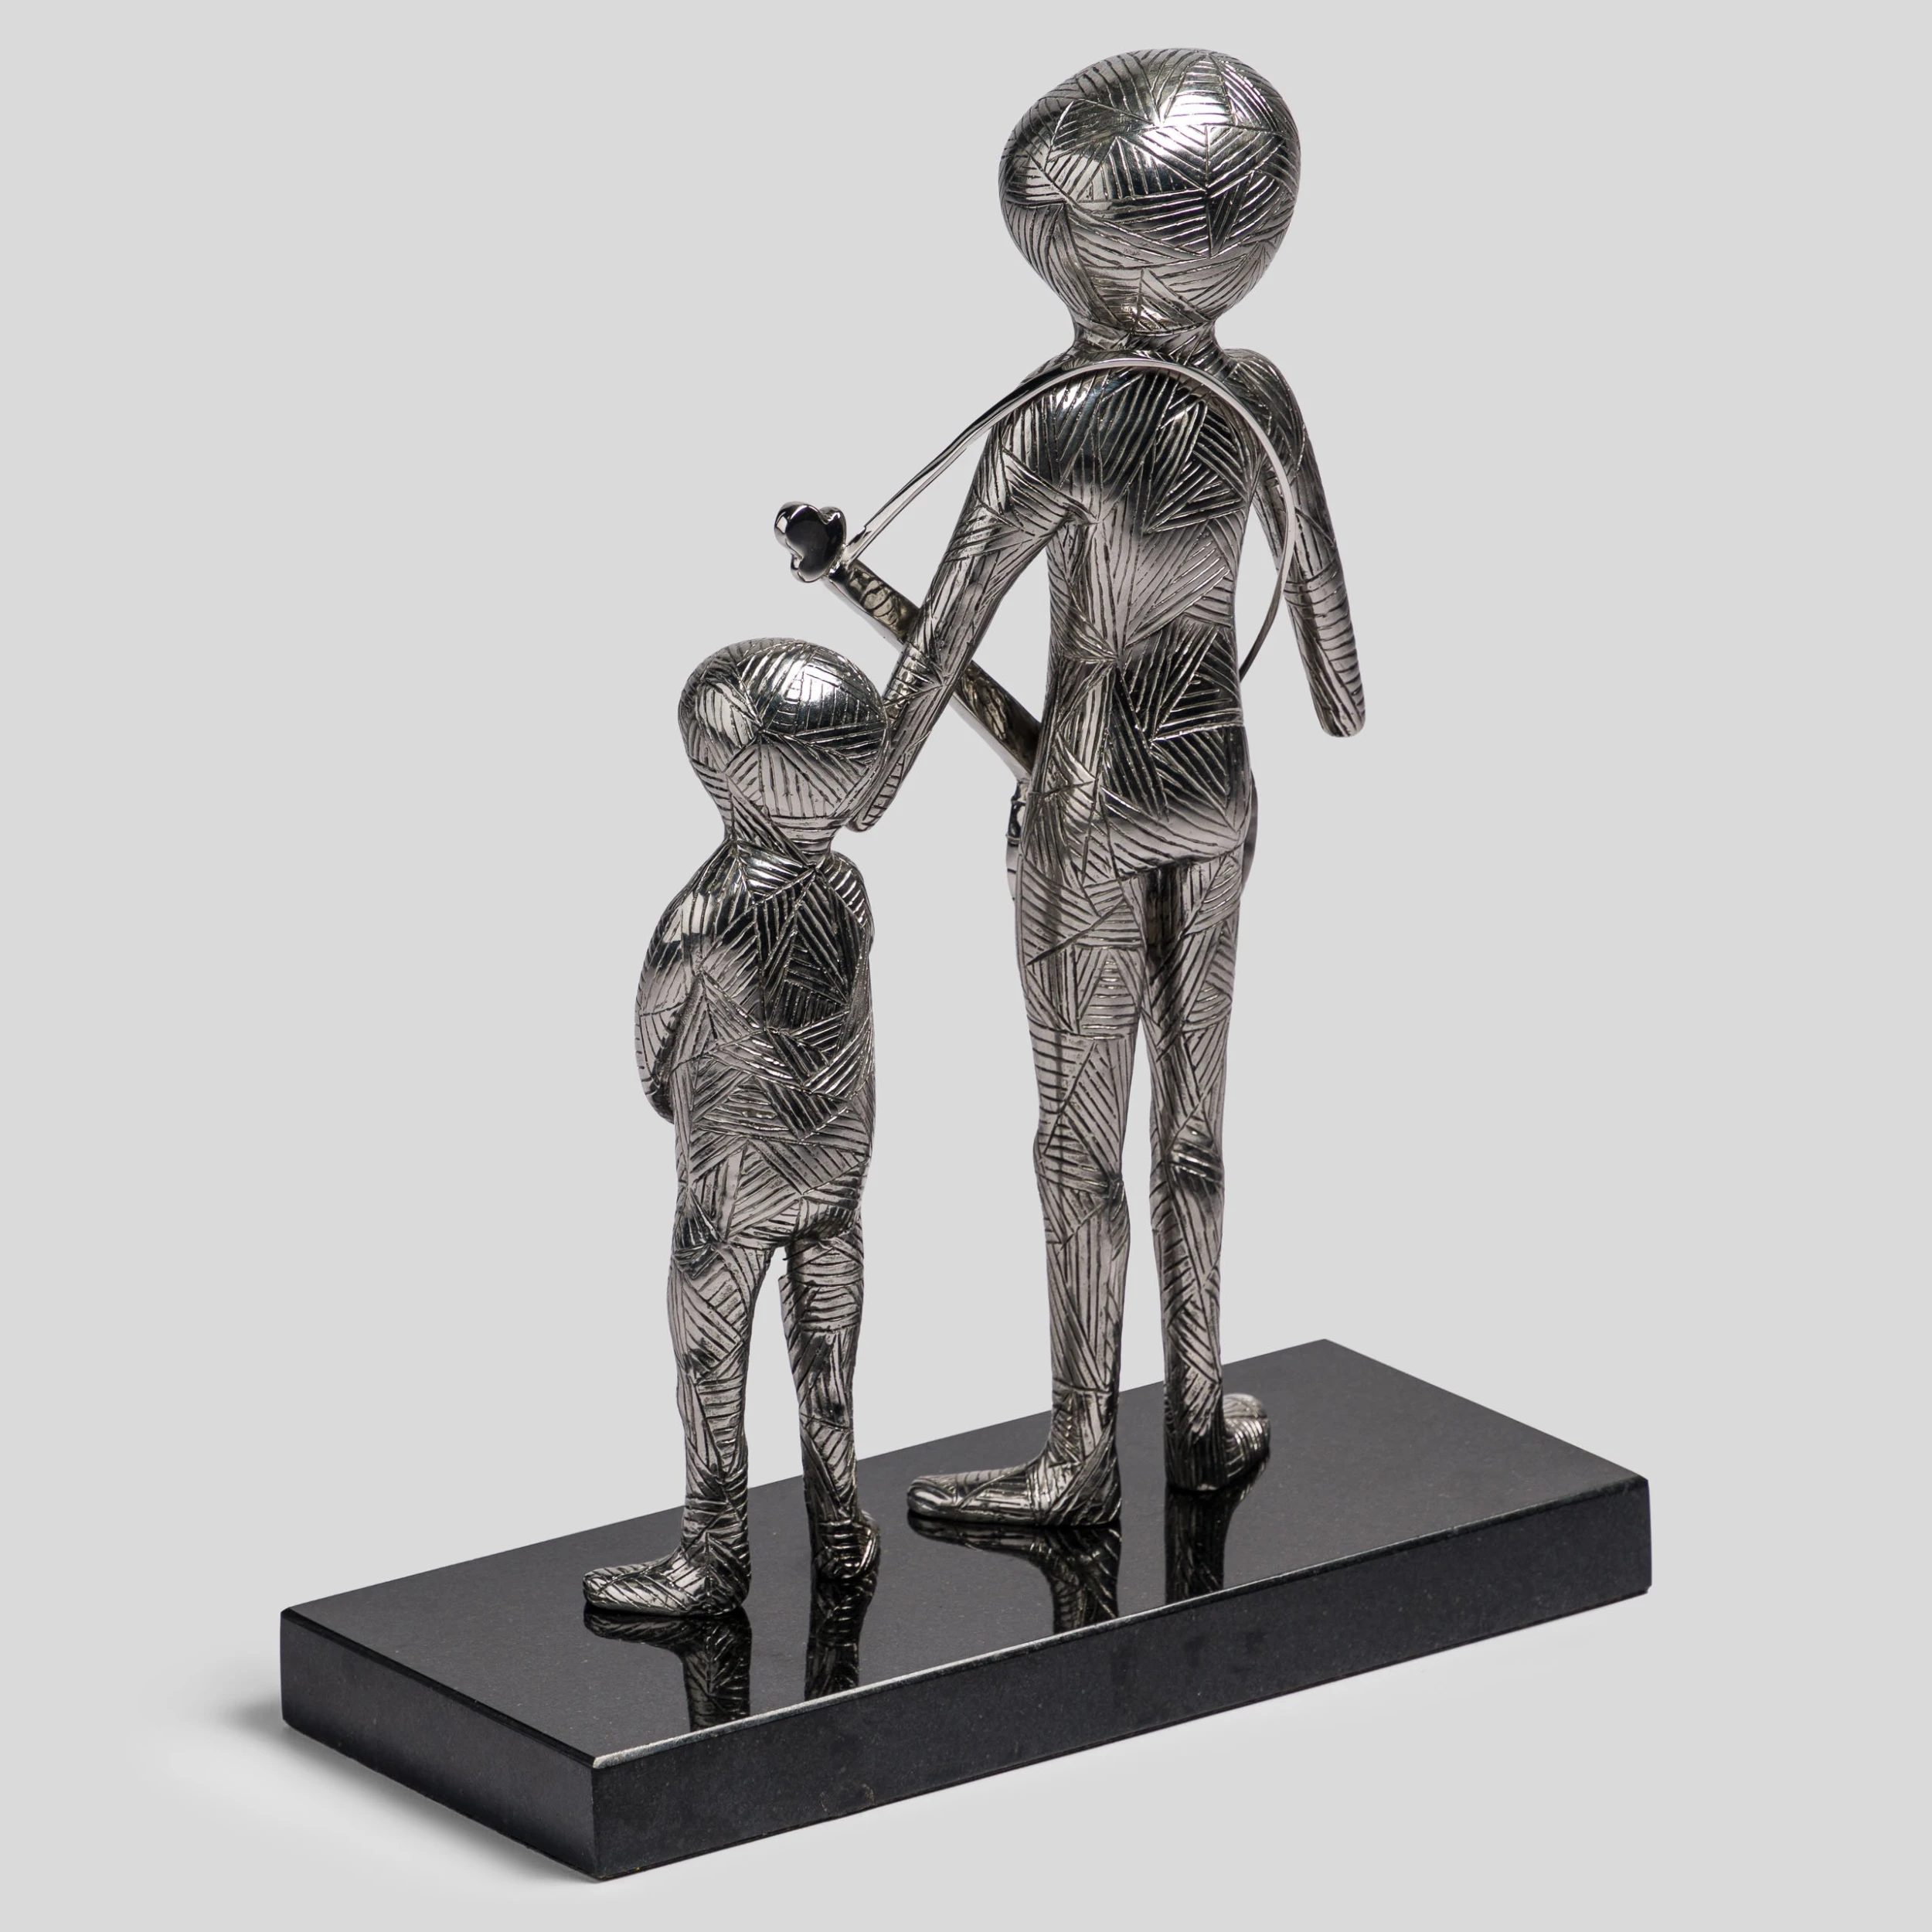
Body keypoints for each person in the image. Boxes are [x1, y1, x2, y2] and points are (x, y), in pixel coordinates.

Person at [847, 49, 1366, 1524]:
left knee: (1079, 1145)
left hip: (1088, 810)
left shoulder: (1057, 423)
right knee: (1194, 1135)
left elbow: (939, 655)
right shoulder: (1258, 397)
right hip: (1219, 795)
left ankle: (1081, 1454)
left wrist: (859, 779)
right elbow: (1336, 672)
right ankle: (1195, 1413)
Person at [583, 641, 883, 1614]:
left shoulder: (704, 915)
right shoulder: (848, 893)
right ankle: (839, 1521)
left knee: (710, 1355)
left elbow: (651, 1044)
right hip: (834, 1176)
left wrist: (677, 1102)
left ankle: (714, 1550)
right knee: (827, 1358)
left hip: (731, 1180)